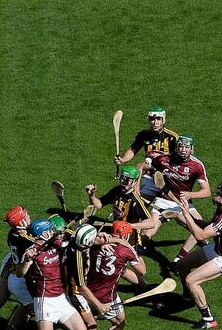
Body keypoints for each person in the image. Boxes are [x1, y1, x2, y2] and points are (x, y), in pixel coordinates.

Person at [18, 220, 89, 330]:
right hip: (45, 301)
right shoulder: (31, 251)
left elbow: (70, 242)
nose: (52, 231)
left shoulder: (55, 243)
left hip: (61, 299)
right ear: (43, 233)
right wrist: (26, 260)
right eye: (49, 229)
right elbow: (20, 273)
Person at [173, 183, 222, 329]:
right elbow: (208, 225)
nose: (216, 195)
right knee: (182, 265)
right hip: (218, 249)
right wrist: (191, 218)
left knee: (191, 280)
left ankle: (208, 319)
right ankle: (189, 297)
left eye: (220, 194)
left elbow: (200, 235)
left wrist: (186, 216)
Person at [83, 221, 146, 330]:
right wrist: (135, 250)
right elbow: (142, 271)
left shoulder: (94, 245)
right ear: (126, 235)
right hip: (106, 296)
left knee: (87, 321)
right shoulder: (126, 250)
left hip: (86, 292)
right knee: (119, 322)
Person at [145, 135, 211, 266]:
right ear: (176, 148)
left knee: (201, 231)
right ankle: (135, 251)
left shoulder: (197, 166)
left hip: (183, 204)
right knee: (148, 231)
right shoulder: (163, 160)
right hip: (163, 201)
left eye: (187, 147)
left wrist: (190, 194)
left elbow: (207, 192)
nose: (183, 149)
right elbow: (145, 166)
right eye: (180, 146)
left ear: (192, 149)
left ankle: (179, 258)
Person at [61, 224, 116, 330]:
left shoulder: (74, 243)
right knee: (92, 325)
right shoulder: (78, 257)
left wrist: (102, 242)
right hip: (74, 294)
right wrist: (99, 305)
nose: (98, 237)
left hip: (69, 290)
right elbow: (81, 288)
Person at [85, 165, 158, 252]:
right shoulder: (117, 190)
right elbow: (99, 205)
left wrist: (130, 226)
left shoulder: (136, 201)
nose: (123, 182)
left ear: (134, 182)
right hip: (115, 232)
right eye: (122, 178)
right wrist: (92, 196)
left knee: (135, 262)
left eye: (127, 180)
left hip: (131, 238)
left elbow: (151, 223)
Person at [113, 105, 179, 200]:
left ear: (164, 120)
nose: (155, 122)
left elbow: (178, 158)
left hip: (168, 178)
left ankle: (137, 189)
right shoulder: (144, 135)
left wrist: (160, 156)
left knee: (173, 208)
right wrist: (123, 159)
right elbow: (133, 150)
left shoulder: (172, 137)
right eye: (152, 119)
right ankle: (137, 193)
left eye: (158, 119)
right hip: (149, 177)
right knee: (135, 203)